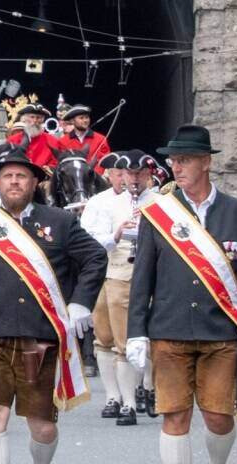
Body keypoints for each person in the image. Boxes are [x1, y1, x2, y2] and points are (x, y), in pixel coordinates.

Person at [0, 147, 106, 464]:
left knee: (42, 427)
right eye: (7, 176)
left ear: (34, 182)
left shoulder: (61, 222)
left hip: (38, 336)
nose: (14, 182)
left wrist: (81, 302)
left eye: (21, 176)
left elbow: (96, 257)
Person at [126, 125, 237, 464]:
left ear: (206, 162)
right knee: (174, 415)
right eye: (174, 160)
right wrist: (136, 333)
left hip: (220, 334)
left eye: (185, 160)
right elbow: (142, 279)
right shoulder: (158, 215)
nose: (176, 167)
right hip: (169, 330)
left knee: (219, 417)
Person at [83, 151, 158, 426]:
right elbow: (90, 241)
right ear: (121, 175)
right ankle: (119, 398)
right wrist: (116, 234)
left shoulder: (162, 203)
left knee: (145, 338)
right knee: (108, 338)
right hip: (117, 275)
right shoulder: (108, 204)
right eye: (129, 173)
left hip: (154, 277)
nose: (134, 179)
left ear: (148, 175)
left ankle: (147, 387)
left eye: (139, 173)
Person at [55, 105, 112, 173]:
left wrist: (91, 175)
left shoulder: (101, 139)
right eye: (81, 118)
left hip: (95, 179)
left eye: (87, 117)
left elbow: (104, 161)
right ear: (72, 121)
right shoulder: (63, 141)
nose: (85, 120)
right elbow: (62, 164)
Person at [5, 103, 59, 172]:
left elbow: (56, 163)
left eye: (38, 118)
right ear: (24, 119)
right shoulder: (12, 140)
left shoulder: (52, 141)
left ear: (42, 120)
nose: (34, 121)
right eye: (32, 117)